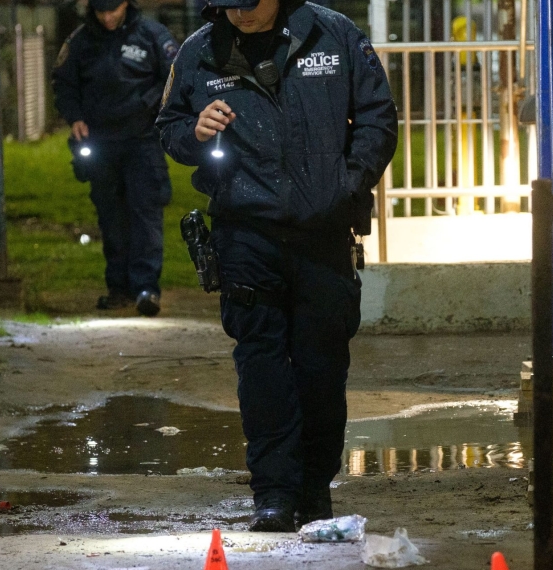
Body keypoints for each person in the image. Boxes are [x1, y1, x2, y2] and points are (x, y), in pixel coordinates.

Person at [156, 0, 396, 531]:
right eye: (228, 5)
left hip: (323, 235)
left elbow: (379, 118)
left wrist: (346, 185)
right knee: (262, 371)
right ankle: (274, 494)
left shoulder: (334, 36)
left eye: (248, 3)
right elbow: (168, 127)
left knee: (321, 370)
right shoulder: (199, 51)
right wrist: (195, 133)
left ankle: (314, 490)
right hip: (246, 235)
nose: (239, 14)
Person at [52, 0, 179, 316]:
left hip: (142, 140)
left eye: (113, 10)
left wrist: (149, 107)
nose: (108, 17)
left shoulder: (152, 34)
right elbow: (64, 82)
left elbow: (174, 78)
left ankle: (146, 288)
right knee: (111, 216)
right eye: (101, 11)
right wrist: (75, 117)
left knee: (145, 213)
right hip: (100, 142)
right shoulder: (80, 40)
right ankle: (119, 289)